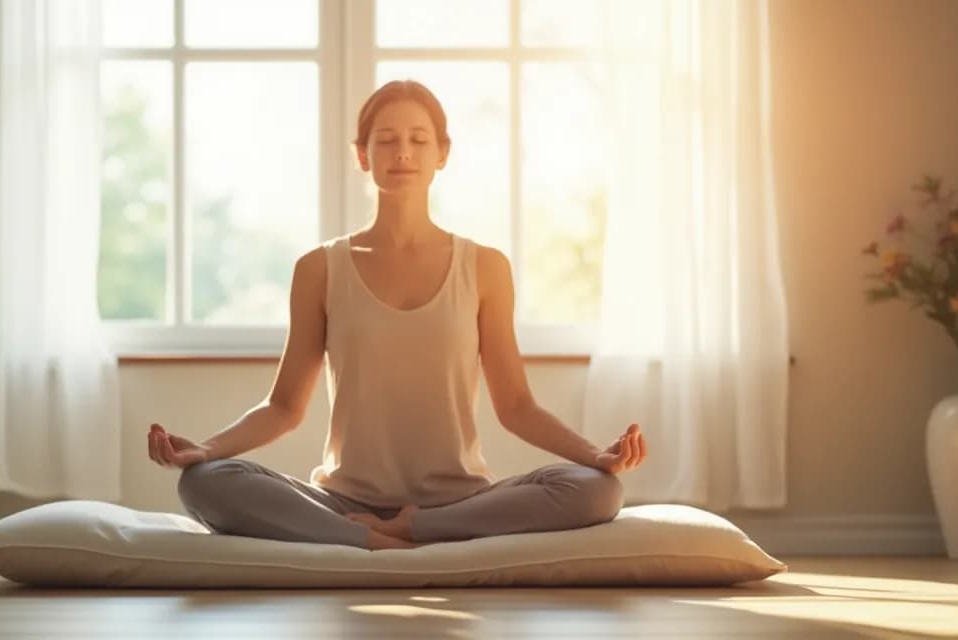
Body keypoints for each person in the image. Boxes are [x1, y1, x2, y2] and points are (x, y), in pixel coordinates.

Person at [146, 79, 647, 551]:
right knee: (204, 483)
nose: (402, 152)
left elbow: (516, 406)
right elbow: (283, 408)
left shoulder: (485, 267)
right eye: (385, 140)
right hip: (343, 501)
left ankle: (410, 530)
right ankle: (369, 536)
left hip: (462, 499)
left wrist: (594, 456)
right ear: (362, 155)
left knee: (597, 491)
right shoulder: (319, 269)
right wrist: (206, 450)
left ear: (442, 154)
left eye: (418, 139)